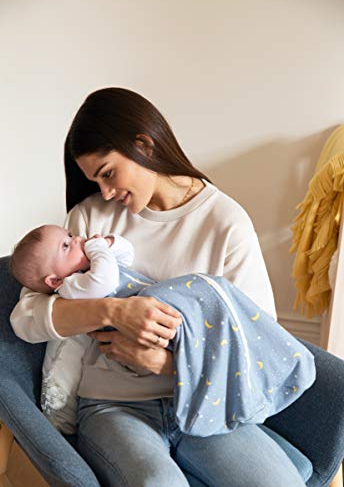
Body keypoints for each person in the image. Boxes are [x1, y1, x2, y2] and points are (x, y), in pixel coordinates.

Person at [10, 87, 308, 486]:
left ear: (143, 144)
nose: (105, 192)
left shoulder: (225, 223)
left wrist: (167, 366)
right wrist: (114, 312)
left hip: (203, 402)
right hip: (114, 406)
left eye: (108, 172)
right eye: (95, 181)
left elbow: (257, 341)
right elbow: (27, 319)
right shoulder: (89, 219)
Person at [10, 224, 316, 437]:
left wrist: (112, 244)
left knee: (214, 293)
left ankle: (275, 366)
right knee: (203, 288)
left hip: (158, 327)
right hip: (148, 311)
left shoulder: (228, 225)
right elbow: (102, 282)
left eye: (71, 236)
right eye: (67, 244)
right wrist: (98, 249)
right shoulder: (74, 285)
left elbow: (126, 257)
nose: (77, 239)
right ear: (53, 281)